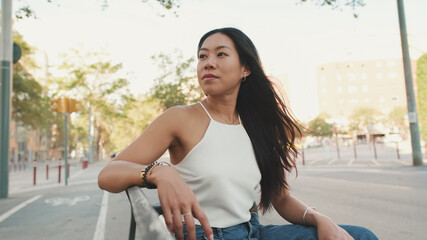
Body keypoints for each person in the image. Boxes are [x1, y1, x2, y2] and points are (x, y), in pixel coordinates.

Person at [98, 27, 378, 240]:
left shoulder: (260, 126)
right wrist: (159, 171)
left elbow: (279, 198)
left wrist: (319, 219)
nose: (208, 62)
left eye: (221, 54)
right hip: (202, 234)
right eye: (202, 56)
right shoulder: (180, 118)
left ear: (245, 68)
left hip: (252, 232)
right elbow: (108, 175)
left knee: (360, 236)